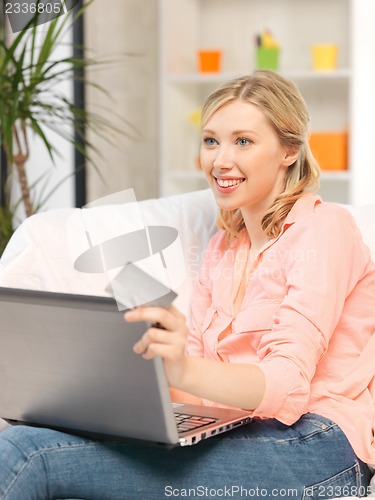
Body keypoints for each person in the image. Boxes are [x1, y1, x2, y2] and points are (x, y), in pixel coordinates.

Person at [0, 70, 374, 499]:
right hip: (238, 432)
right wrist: (121, 383)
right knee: (38, 435)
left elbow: (286, 384)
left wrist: (183, 368)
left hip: (318, 445)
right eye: (211, 140)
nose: (220, 160)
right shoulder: (221, 248)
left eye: (243, 141)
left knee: (29, 455)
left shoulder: (324, 229)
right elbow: (197, 373)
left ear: (289, 150)